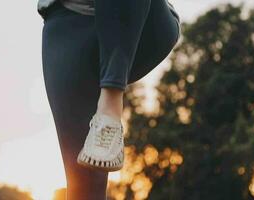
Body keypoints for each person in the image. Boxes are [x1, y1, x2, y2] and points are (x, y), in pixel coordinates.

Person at [37, 0, 180, 199]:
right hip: (66, 26)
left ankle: (111, 106)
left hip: (140, 19)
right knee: (84, 184)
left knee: (100, 141)